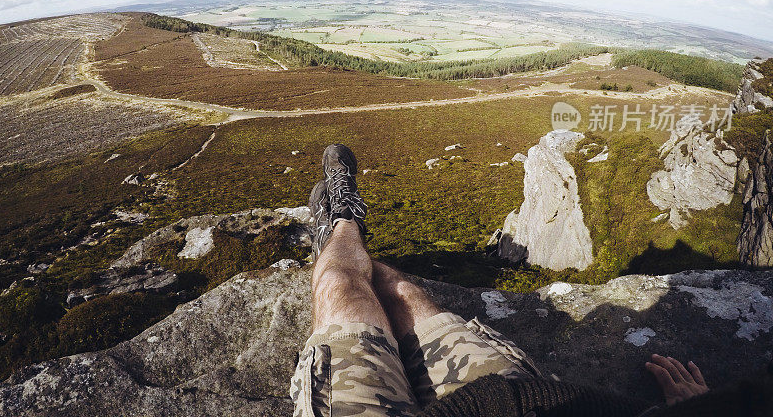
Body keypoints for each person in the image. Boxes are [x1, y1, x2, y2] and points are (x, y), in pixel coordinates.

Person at [290, 144, 772, 417]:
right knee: (401, 291)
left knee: (340, 285)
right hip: (521, 399)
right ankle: (347, 224)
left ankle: (338, 228)